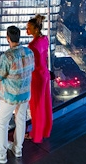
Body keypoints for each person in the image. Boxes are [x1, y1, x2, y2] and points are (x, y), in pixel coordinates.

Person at [0, 25, 35, 163]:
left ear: (7, 38)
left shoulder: (7, 56)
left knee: (2, 123)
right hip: (25, 94)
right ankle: (18, 149)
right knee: (21, 120)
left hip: (10, 95)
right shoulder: (29, 52)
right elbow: (31, 69)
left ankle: (1, 155)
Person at [26, 14, 53, 143]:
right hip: (45, 74)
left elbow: (31, 65)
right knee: (45, 103)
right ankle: (45, 130)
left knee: (36, 106)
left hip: (37, 76)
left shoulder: (32, 46)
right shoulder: (45, 39)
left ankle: (36, 134)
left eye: (29, 28)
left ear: (35, 29)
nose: (27, 30)